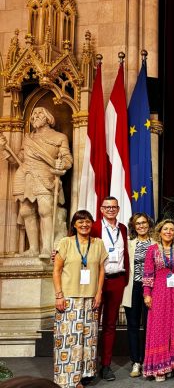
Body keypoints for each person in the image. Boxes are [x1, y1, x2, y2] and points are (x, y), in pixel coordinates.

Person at [0, 106, 73, 257]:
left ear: (48, 118)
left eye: (40, 113)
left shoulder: (59, 137)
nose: (35, 116)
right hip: (25, 175)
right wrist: (4, 148)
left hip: (44, 175)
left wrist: (61, 163)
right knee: (26, 211)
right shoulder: (28, 138)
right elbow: (18, 159)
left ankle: (47, 248)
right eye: (34, 113)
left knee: (45, 210)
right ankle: (33, 249)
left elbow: (68, 160)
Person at [53, 210, 107, 388]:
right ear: (74, 225)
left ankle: (84, 374)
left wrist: (98, 293)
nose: (84, 225)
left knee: (88, 339)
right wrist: (59, 295)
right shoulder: (65, 242)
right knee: (69, 340)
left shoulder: (98, 244)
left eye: (87, 221)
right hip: (69, 298)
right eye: (80, 222)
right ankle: (68, 378)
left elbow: (101, 271)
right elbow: (56, 271)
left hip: (90, 298)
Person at [143, 219, 174, 381]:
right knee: (159, 327)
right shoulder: (152, 249)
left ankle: (171, 364)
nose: (168, 232)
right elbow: (148, 273)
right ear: (159, 231)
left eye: (171, 230)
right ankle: (159, 368)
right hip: (159, 291)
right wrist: (147, 294)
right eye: (165, 229)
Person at [90, 197, 130, 382]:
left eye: (114, 207)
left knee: (110, 325)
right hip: (96, 282)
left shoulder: (123, 228)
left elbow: (125, 253)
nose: (111, 210)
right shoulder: (94, 227)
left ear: (118, 209)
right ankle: (89, 365)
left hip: (116, 281)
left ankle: (106, 365)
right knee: (92, 324)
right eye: (107, 207)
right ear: (101, 209)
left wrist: (124, 279)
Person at [121, 212, 155, 378]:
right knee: (133, 325)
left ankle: (150, 360)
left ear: (149, 224)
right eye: (138, 223)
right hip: (133, 287)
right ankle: (136, 361)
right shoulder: (128, 244)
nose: (141, 226)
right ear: (134, 227)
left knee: (150, 326)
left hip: (152, 289)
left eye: (144, 223)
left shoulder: (157, 243)